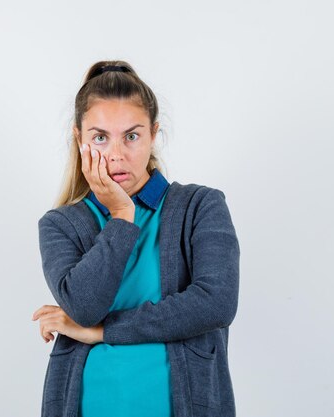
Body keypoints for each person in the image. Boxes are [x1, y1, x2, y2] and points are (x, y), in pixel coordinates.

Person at [31, 60, 240, 417]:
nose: (116, 154)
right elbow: (84, 307)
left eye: (132, 135)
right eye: (99, 137)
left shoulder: (201, 206)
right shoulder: (61, 224)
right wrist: (122, 216)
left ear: (153, 134)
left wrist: (102, 332)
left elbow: (216, 303)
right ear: (79, 139)